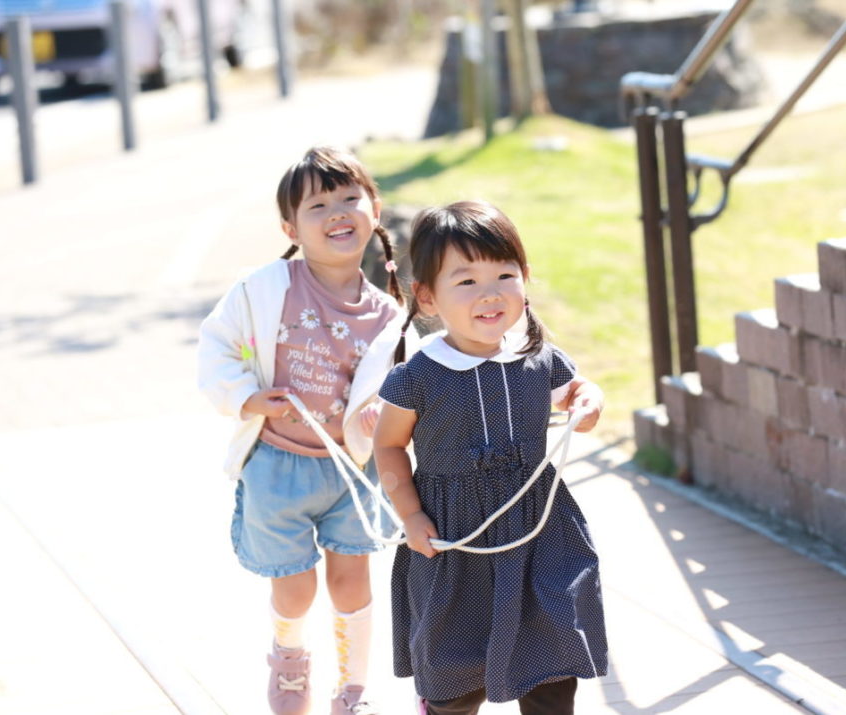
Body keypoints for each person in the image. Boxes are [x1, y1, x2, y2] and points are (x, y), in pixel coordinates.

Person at [198, 146, 416, 715]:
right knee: (294, 589)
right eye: (318, 205)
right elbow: (217, 344)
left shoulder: (390, 317)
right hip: (278, 464)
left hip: (351, 472)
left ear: (374, 210)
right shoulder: (265, 288)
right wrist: (246, 396)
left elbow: (402, 393)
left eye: (350, 198)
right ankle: (291, 664)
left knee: (351, 583)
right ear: (290, 227)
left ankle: (354, 689)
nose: (338, 212)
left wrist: (380, 422)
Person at [372, 200, 609, 715]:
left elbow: (578, 399)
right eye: (466, 281)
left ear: (525, 279)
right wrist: (410, 516)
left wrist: (589, 400)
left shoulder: (537, 357)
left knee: (552, 660)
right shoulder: (419, 376)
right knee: (455, 675)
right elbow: (387, 445)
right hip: (455, 541)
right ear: (428, 297)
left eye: (505, 274)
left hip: (538, 533)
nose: (491, 293)